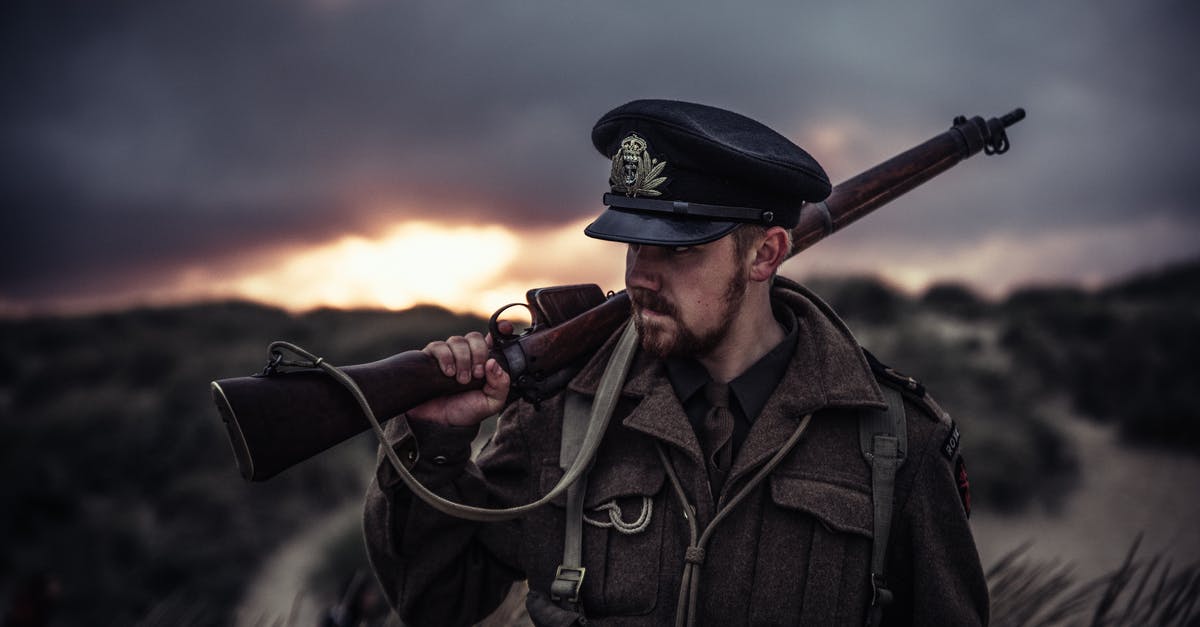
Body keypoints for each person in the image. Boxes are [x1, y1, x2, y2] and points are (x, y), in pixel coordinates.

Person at [363, 100, 989, 626]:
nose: (640, 277)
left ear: (765, 254)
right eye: (634, 243)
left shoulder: (895, 441)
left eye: (678, 248)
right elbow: (438, 601)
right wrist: (437, 443)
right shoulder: (561, 414)